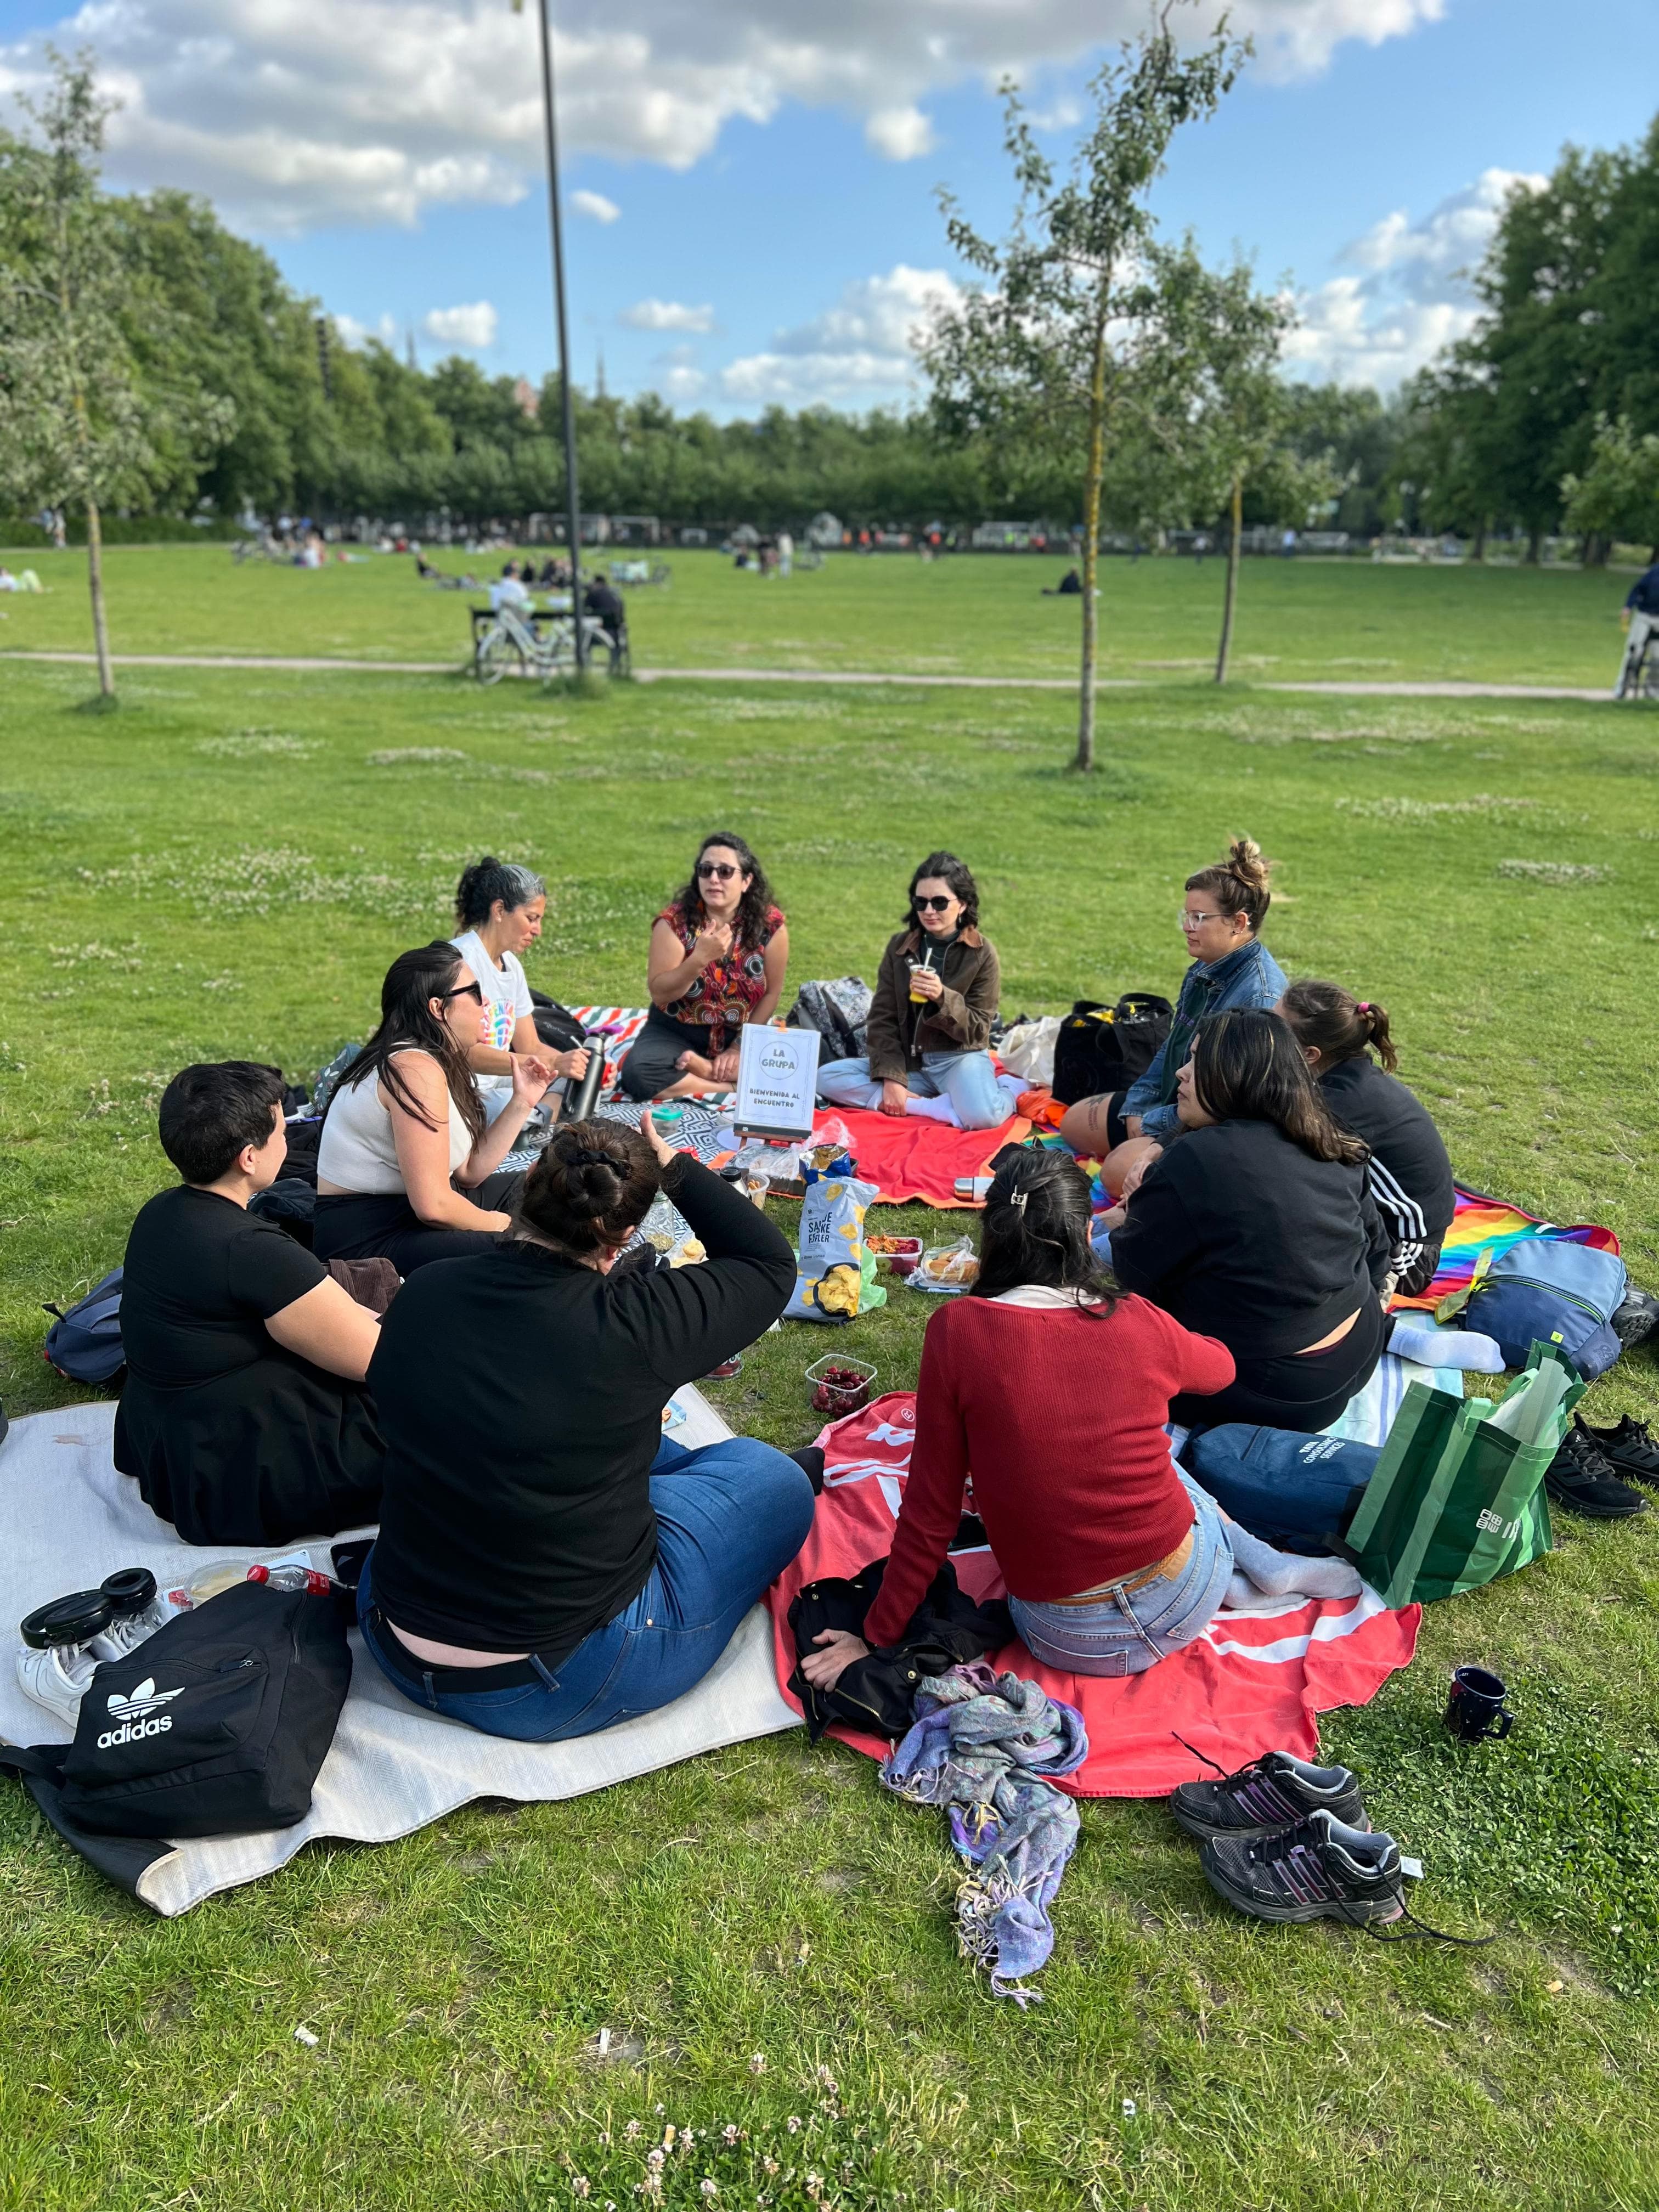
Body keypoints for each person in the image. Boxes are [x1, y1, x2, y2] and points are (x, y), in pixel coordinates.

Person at [354, 1114, 816, 1741]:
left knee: (625, 1446)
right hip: (556, 1675)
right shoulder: (635, 1322)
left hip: (394, 1630)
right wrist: (675, 1166)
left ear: (526, 1189)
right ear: (623, 1235)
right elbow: (766, 1262)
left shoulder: (427, 1290)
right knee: (772, 1478)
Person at [797, 1149, 1238, 1686]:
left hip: (1065, 1634)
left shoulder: (959, 1330)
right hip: (1186, 1597)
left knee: (1166, 1469)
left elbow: (930, 1512)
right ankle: (1267, 1568)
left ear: (992, 1229)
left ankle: (1264, 1567)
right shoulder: (1137, 1318)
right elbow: (1221, 1369)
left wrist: (876, 1636)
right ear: (1088, 1227)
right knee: (1175, 1469)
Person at [114, 1062, 384, 1545]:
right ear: (248, 1158)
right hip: (234, 1466)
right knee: (436, 1422)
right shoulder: (252, 1249)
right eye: (282, 1130)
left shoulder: (161, 1212)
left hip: (170, 1437)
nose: (289, 1140)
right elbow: (377, 1361)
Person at [1107, 1010, 1391, 1434]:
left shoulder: (1200, 1160)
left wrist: (1134, 1209)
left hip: (1272, 1391)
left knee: (1092, 1329)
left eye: (1198, 1061)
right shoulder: (1323, 1131)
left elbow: (1134, 1279)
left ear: (1233, 1074)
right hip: (1360, 1345)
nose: (1183, 1074)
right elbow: (1377, 1251)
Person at [1058, 836, 1285, 1191]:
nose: (1187, 926)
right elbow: (1171, 1046)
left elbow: (1225, 1103)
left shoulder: (1259, 997)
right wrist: (1138, 1105)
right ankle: (1145, 1151)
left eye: (1199, 918)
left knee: (1117, 1173)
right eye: (1187, 915)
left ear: (1239, 923)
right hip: (1170, 1103)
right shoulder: (1204, 966)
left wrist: (1153, 1123)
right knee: (1073, 1123)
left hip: (1204, 1126)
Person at [314, 944, 556, 1273]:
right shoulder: (413, 1069)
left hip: (410, 1213)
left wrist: (522, 1102)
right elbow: (433, 1205)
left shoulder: (432, 1059)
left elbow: (469, 1174)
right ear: (438, 1008)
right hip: (369, 1238)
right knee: (525, 1252)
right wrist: (499, 1226)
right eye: (475, 992)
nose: (486, 1003)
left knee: (550, 1184)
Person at [1276, 980, 1455, 1299]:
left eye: (1274, 1028)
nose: (1264, 1034)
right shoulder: (1343, 1076)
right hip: (1386, 1229)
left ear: (1309, 1054)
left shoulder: (1339, 1105)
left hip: (1409, 1256)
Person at [817, 852, 1012, 1130]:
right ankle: (927, 1106)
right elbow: (883, 1019)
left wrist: (942, 998)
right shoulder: (901, 947)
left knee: (984, 1118)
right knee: (826, 1077)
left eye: (940, 902)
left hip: (958, 1059)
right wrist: (892, 1078)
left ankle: (1009, 1090)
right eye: (921, 902)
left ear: (963, 905)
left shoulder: (981, 953)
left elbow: (979, 1030)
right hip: (912, 1061)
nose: (929, 911)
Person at [619, 833, 789, 1101]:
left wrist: (738, 1047)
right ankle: (729, 1087)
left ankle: (706, 1073)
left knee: (794, 1068)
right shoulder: (674, 924)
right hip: (677, 1031)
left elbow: (772, 994)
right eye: (705, 870)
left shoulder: (770, 926)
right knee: (639, 1074)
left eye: (725, 872)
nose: (713, 879)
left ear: (746, 881)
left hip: (740, 1031)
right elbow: (661, 994)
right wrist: (699, 959)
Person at [448, 856, 589, 1123]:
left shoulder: (511, 965)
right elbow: (464, 1054)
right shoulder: (461, 963)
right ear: (500, 911)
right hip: (460, 1091)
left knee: (571, 1083)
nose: (538, 931)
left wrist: (579, 1065)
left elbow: (531, 1045)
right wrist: (549, 1066)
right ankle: (536, 1123)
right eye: (532, 918)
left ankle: (537, 1121)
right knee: (520, 1105)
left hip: (498, 1083)